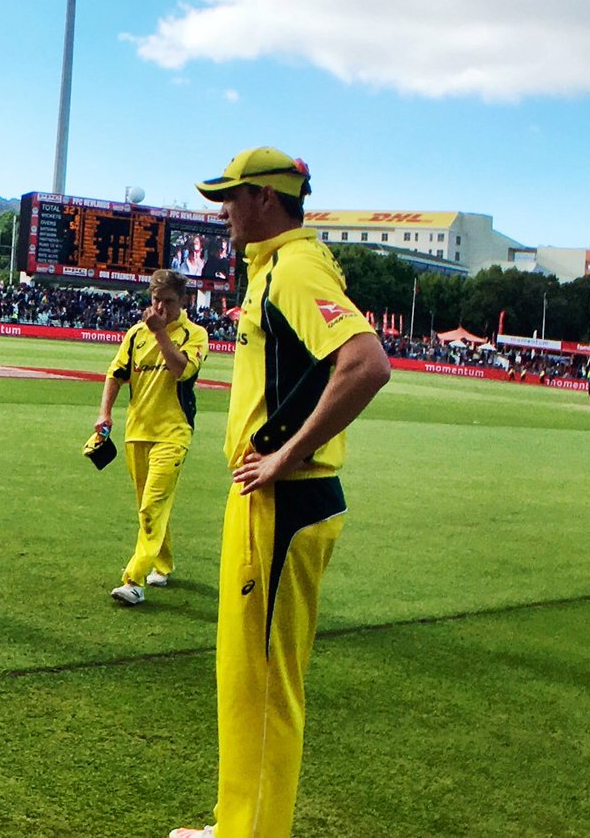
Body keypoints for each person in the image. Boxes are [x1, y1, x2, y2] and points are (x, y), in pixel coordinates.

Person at [171, 148, 390, 838]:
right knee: (243, 681)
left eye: (231, 196)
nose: (223, 210)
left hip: (285, 502)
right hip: (271, 498)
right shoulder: (279, 270)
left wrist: (285, 453)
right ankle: (237, 823)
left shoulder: (293, 270)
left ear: (265, 197)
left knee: (264, 688)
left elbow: (366, 363)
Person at [96, 268, 209, 606]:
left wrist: (160, 335)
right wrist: (105, 413)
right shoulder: (134, 334)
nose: (159, 308)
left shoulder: (195, 334)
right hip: (137, 433)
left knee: (151, 506)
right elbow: (115, 375)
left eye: (168, 302)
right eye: (155, 300)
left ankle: (134, 580)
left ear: (183, 301)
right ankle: (163, 563)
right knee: (150, 506)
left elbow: (180, 370)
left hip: (173, 433)